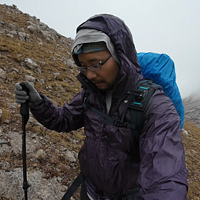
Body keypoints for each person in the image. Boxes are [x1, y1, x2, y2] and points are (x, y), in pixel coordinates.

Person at [14, 14, 188, 200]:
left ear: (120, 55)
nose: (89, 75)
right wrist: (39, 104)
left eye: (96, 64)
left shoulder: (157, 107)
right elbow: (64, 119)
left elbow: (165, 179)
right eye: (83, 66)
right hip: (89, 191)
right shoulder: (91, 93)